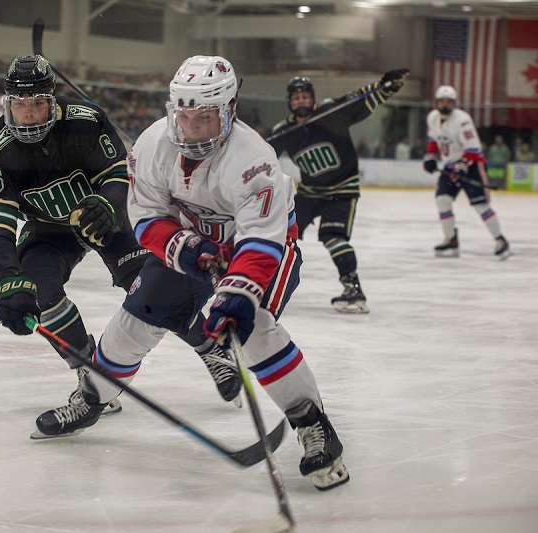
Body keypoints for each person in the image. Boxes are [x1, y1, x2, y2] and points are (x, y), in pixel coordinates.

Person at [34, 55, 350, 492]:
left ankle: (312, 423)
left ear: (229, 110)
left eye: (204, 117)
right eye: (183, 115)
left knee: (252, 328)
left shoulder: (254, 159)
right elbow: (145, 216)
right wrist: (184, 249)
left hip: (260, 249)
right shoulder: (151, 145)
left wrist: (237, 293)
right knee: (134, 319)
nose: (192, 128)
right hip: (194, 242)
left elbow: (261, 239)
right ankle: (94, 398)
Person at [0, 55, 241, 430]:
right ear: (7, 104)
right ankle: (90, 376)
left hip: (105, 218)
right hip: (48, 228)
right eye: (21, 104)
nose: (30, 114)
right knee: (38, 291)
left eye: (37, 103)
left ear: (52, 101)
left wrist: (106, 204)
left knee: (151, 290)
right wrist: (7, 278)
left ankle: (209, 347)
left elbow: (120, 175)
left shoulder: (85, 121)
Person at [268, 69, 409, 313]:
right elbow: (261, 153)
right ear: (290, 102)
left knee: (333, 237)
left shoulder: (332, 113)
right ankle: (265, 280)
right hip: (310, 192)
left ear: (312, 98)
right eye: (296, 98)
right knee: (279, 232)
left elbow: (363, 100)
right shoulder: (284, 131)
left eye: (305, 96)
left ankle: (353, 288)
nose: (301, 101)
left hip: (342, 190)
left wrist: (386, 86)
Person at [422, 85, 511, 259]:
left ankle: (500, 240)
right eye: (442, 101)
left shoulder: (462, 120)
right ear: (437, 102)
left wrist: (461, 167)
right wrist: (431, 158)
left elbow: (473, 149)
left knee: (480, 205)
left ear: (454, 103)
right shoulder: (432, 118)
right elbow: (434, 141)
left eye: (449, 101)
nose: (445, 104)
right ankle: (451, 239)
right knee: (442, 200)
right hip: (450, 167)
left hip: (471, 167)